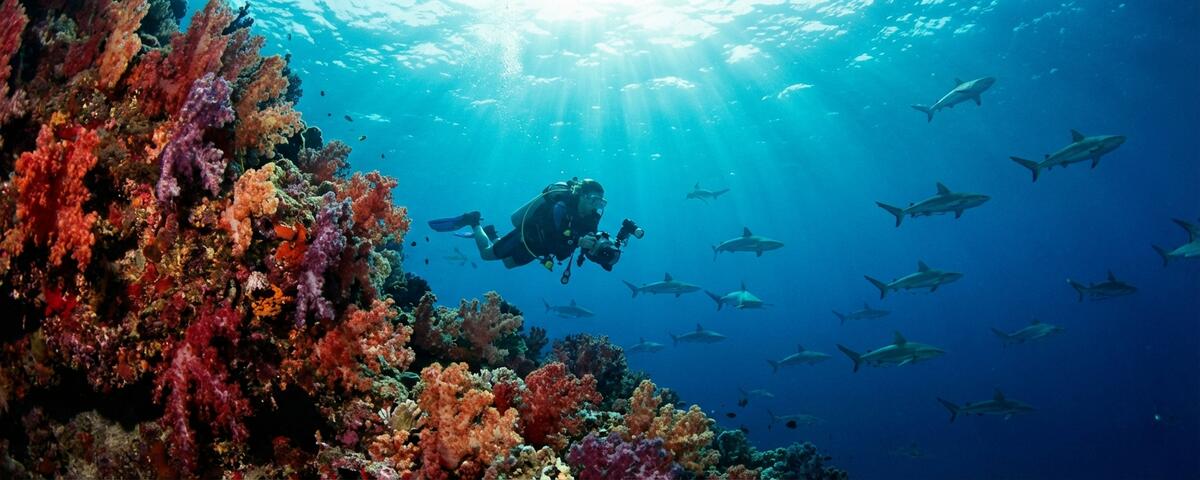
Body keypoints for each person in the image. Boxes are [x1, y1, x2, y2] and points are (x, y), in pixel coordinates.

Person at [428, 178, 641, 281]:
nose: (596, 206)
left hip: (540, 249)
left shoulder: (592, 216)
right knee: (487, 255)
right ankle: (473, 221)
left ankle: (493, 234)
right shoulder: (562, 205)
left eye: (600, 202)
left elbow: (583, 240)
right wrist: (577, 241)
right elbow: (556, 233)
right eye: (593, 200)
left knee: (508, 264)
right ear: (582, 195)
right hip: (528, 237)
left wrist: (596, 248)